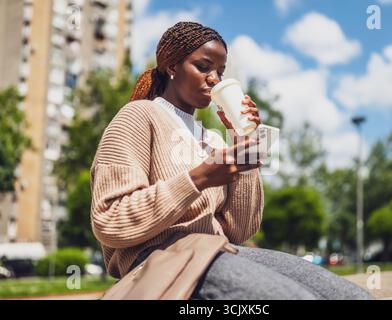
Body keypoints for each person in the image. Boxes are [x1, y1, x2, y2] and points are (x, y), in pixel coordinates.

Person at [90, 21, 373, 300]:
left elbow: (239, 230)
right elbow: (110, 220)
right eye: (203, 67)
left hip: (218, 250)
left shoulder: (212, 140)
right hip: (162, 260)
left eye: (220, 71)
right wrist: (198, 178)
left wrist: (242, 143)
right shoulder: (138, 116)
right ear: (172, 67)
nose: (214, 78)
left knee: (346, 294)